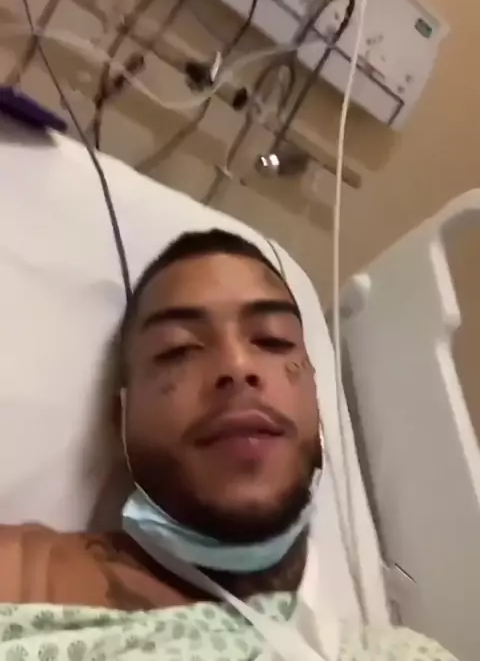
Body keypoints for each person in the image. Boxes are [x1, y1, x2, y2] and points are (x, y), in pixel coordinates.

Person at [0, 229, 457, 660]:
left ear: (316, 402)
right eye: (177, 349)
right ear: (121, 420)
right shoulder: (24, 578)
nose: (238, 367)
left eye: (272, 340)